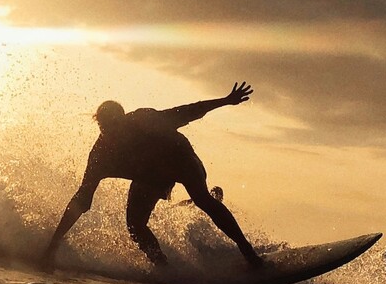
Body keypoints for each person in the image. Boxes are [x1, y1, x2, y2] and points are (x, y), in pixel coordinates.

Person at [40, 82, 264, 269]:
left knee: (202, 199)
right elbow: (82, 199)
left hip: (180, 158)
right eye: (105, 127)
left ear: (123, 117)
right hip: (150, 176)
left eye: (115, 124)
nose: (111, 132)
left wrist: (225, 100)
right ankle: (163, 267)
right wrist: (52, 246)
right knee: (135, 225)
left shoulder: (144, 120)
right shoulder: (101, 155)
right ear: (99, 125)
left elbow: (189, 110)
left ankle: (251, 256)